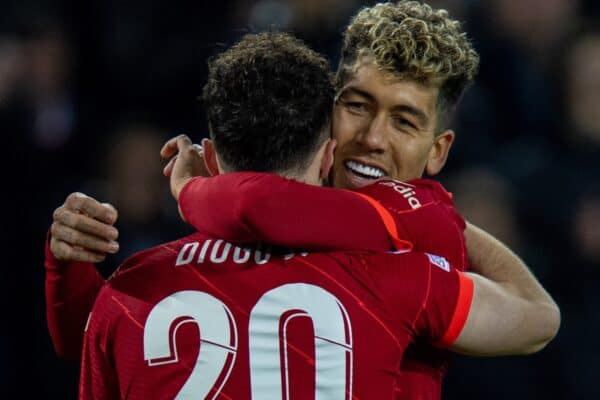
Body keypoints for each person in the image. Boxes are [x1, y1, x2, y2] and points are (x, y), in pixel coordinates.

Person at [46, 1, 558, 398]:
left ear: (438, 151)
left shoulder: (140, 279)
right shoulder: (405, 270)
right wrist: (433, 218)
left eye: (404, 122)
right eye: (357, 106)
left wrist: (192, 188)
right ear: (326, 121)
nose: (373, 138)